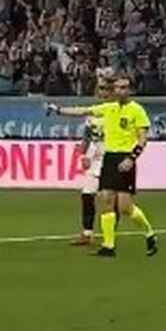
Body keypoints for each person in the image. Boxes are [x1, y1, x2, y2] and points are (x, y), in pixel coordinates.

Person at [48, 76, 158, 258]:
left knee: (125, 207)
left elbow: (142, 139)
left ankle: (149, 233)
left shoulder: (137, 110)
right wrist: (58, 110)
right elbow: (83, 111)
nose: (122, 91)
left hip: (125, 158)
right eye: (118, 88)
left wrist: (132, 158)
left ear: (129, 90)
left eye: (125, 87)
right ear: (114, 91)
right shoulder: (108, 108)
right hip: (109, 158)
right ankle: (108, 246)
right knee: (105, 199)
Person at [71, 79, 110, 246]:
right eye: (100, 89)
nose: (102, 93)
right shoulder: (92, 114)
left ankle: (110, 236)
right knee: (87, 195)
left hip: (110, 160)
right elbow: (87, 137)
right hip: (94, 161)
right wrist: (84, 155)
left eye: (105, 89)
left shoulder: (115, 113)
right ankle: (87, 233)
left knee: (108, 198)